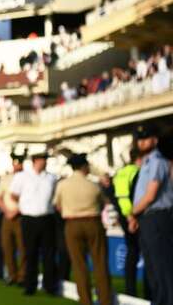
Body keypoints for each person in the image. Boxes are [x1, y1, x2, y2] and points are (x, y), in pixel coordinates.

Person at [53, 154, 113, 305]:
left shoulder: (62, 185)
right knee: (100, 264)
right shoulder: (93, 185)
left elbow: (57, 206)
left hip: (72, 224)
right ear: (84, 167)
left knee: (79, 265)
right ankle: (105, 300)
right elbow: (104, 203)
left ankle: (85, 300)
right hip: (93, 223)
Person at [128, 123, 173, 304]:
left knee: (162, 266)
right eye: (140, 139)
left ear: (155, 140)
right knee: (152, 267)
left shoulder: (157, 161)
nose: (141, 143)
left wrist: (132, 213)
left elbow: (150, 195)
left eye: (145, 139)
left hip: (158, 217)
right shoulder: (147, 163)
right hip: (147, 218)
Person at [11, 152, 58, 296]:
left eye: (45, 160)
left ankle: (50, 286)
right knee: (30, 253)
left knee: (48, 254)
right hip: (29, 219)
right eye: (42, 160)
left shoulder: (51, 177)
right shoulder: (22, 177)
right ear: (35, 161)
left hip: (47, 218)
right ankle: (30, 285)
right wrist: (25, 205)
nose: (44, 162)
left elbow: (55, 196)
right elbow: (14, 194)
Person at [108, 148, 143, 297]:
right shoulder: (136, 171)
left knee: (132, 252)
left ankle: (131, 290)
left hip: (126, 215)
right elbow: (126, 197)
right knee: (137, 252)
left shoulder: (121, 172)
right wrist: (131, 217)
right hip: (133, 216)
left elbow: (116, 195)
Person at [0, 151, 26, 286]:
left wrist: (16, 210)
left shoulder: (28, 178)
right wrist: (7, 211)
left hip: (21, 215)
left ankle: (22, 276)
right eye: (15, 164)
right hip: (7, 215)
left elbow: (29, 198)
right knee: (7, 246)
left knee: (23, 247)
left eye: (19, 163)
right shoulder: (6, 178)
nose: (17, 166)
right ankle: (12, 274)